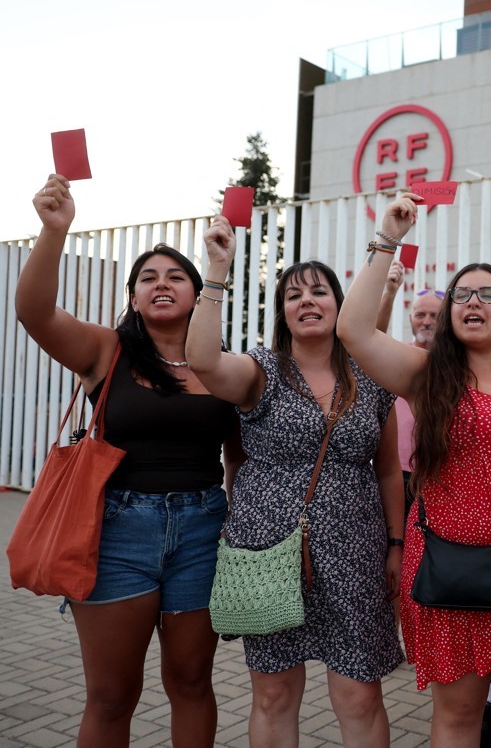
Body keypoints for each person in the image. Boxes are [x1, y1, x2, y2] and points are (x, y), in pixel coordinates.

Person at [336, 192, 491, 747]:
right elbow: (353, 331)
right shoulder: (427, 375)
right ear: (450, 313)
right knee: (458, 715)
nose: (474, 302)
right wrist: (387, 238)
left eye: (488, 294)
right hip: (449, 570)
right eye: (462, 295)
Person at [14, 175, 240, 747]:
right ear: (134, 297)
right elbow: (34, 312)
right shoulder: (104, 350)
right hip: (116, 531)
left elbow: (237, 458)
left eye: (175, 277)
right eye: (148, 278)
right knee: (113, 696)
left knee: (191, 683)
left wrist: (239, 530)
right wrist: (54, 230)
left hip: (203, 532)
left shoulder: (222, 366)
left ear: (197, 292)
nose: (161, 284)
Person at [186, 216, 404, 747]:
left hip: (356, 551)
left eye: (320, 291)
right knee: (274, 695)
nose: (307, 301)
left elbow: (389, 469)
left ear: (339, 303)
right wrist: (217, 270)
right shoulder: (260, 369)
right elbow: (203, 361)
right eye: (293, 294)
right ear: (282, 311)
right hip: (268, 552)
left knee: (360, 695)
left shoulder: (372, 374)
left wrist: (397, 543)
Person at [375, 255, 444, 488]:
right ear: (410, 318)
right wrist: (390, 292)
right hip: (399, 471)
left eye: (435, 316)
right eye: (420, 315)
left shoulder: (458, 364)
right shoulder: (400, 355)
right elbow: (374, 337)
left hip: (441, 470)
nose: (426, 321)